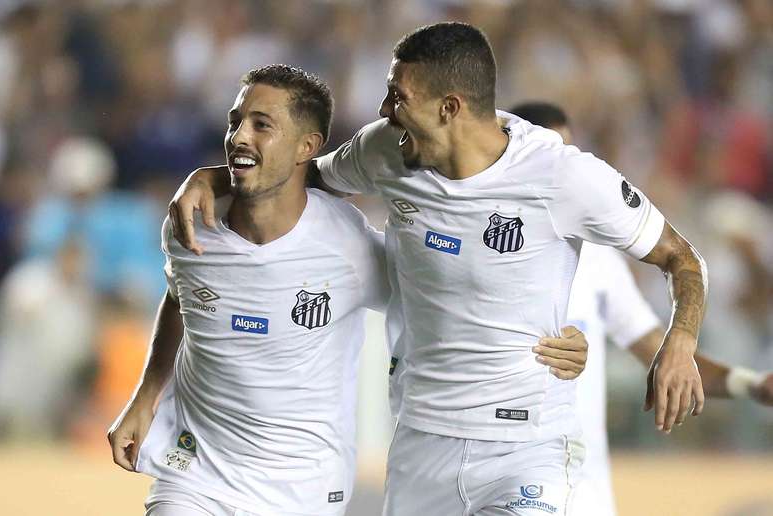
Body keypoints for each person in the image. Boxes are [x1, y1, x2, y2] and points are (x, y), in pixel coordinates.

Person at [168, 22, 707, 516]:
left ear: (450, 107)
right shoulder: (386, 150)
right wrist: (211, 177)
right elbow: (295, 173)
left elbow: (682, 260)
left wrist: (679, 342)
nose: (384, 110)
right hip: (421, 444)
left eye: (399, 96)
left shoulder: (564, 177)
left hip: (525, 448)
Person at [107, 65, 391, 516]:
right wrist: (146, 396)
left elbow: (432, 300)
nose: (239, 136)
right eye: (235, 121)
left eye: (262, 125)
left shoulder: (350, 247)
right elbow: (181, 297)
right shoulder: (189, 224)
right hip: (195, 475)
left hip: (303, 489)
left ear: (308, 147)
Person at [510, 101, 773, 516]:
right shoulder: (483, 248)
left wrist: (750, 385)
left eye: (569, 154)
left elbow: (663, 357)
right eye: (549, 155)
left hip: (585, 496)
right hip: (503, 485)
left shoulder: (598, 260)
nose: (562, 173)